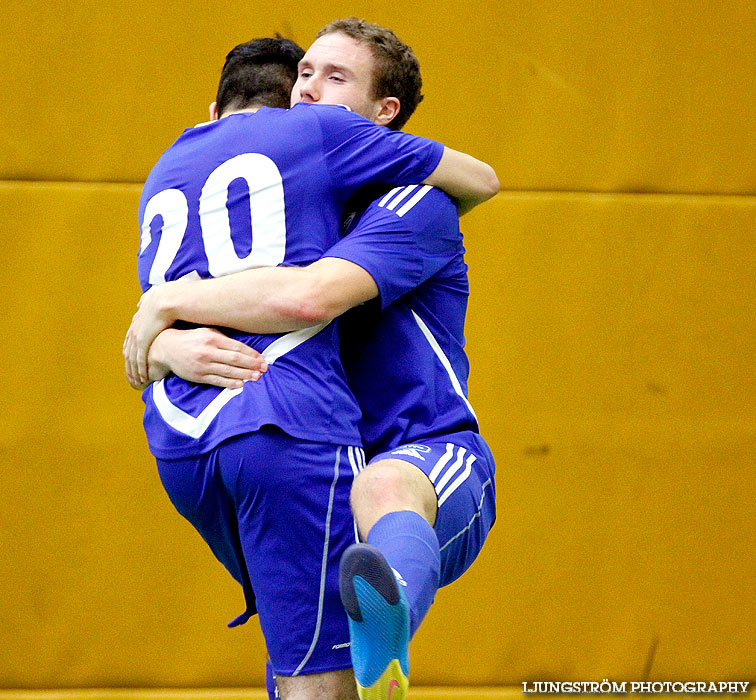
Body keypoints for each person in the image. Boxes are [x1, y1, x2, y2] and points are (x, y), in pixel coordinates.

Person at [126, 19, 497, 700]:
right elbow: (235, 307)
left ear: (385, 117)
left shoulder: (412, 201)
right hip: (327, 457)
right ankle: (368, 646)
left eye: (336, 78)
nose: (308, 92)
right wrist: (165, 339)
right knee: (300, 680)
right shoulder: (298, 208)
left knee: (379, 491)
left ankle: (385, 630)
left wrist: (165, 304)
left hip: (429, 454)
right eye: (305, 74)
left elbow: (308, 297)